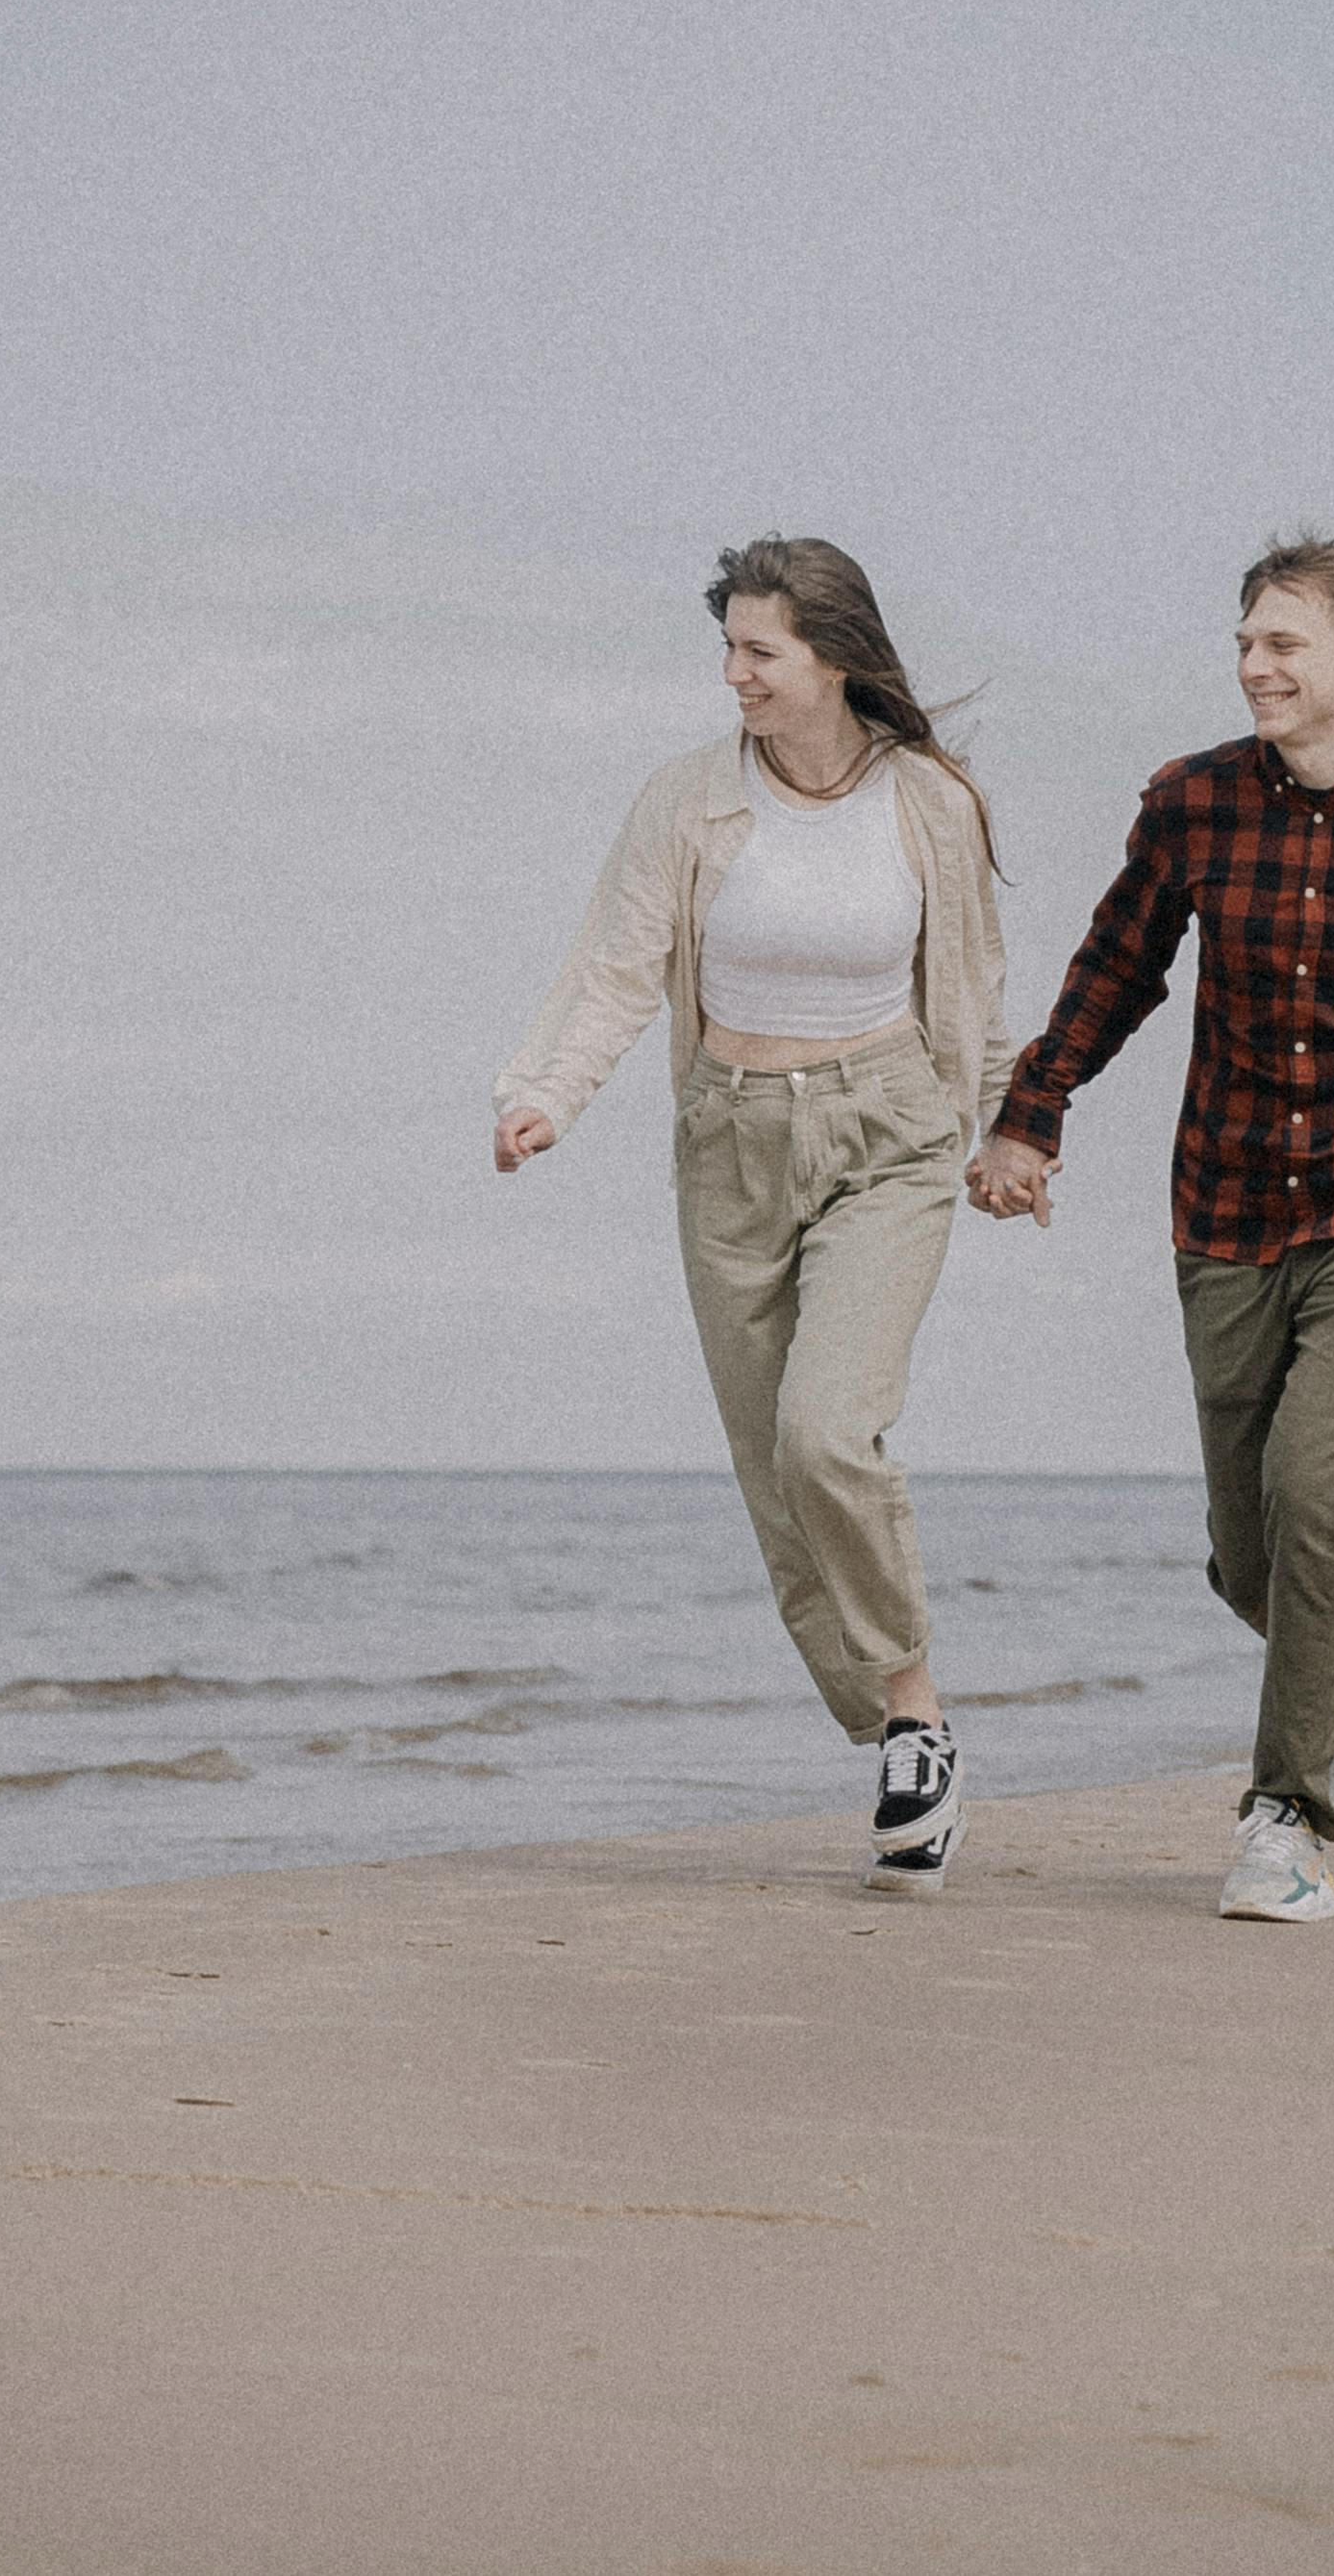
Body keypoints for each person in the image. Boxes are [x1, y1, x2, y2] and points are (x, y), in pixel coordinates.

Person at [967, 531, 1334, 1925]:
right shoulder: (1192, 803)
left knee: (1313, 1486)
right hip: (1228, 1198)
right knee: (1246, 1554)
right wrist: (1030, 1113)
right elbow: (1118, 966)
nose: (1254, 665)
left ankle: (1285, 1822)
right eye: (1244, 642)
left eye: (1283, 643)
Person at [492, 537, 1006, 1887]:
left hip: (887, 1132)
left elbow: (972, 985)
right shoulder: (688, 801)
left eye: (758, 651)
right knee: (775, 1480)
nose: (735, 675)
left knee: (825, 1431)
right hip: (728, 1144)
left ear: (831, 655)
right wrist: (547, 1093)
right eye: (727, 648)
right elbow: (617, 965)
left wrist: (1013, 1128)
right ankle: (897, 1738)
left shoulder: (927, 802)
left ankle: (914, 1718)